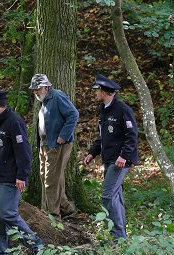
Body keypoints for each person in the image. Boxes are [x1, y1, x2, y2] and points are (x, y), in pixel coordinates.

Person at [0, 90, 44, 255]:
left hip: (10, 179)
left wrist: (22, 175)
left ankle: (38, 246)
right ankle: (0, 254)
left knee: (8, 214)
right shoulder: (0, 122)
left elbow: (23, 151)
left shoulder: (14, 122)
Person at [84, 74, 138, 239]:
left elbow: (132, 135)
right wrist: (92, 153)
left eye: (97, 91)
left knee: (107, 196)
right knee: (115, 197)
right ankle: (121, 238)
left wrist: (124, 156)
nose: (95, 93)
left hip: (120, 161)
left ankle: (117, 236)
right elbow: (102, 136)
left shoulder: (123, 110)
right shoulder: (103, 110)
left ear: (104, 91)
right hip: (108, 159)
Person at [29, 74, 79, 220]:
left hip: (57, 145)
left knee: (51, 179)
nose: (35, 92)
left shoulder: (56, 96)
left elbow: (73, 115)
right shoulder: (44, 100)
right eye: (34, 90)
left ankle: (52, 215)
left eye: (37, 88)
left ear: (46, 86)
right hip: (45, 144)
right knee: (47, 177)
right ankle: (66, 208)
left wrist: (63, 136)